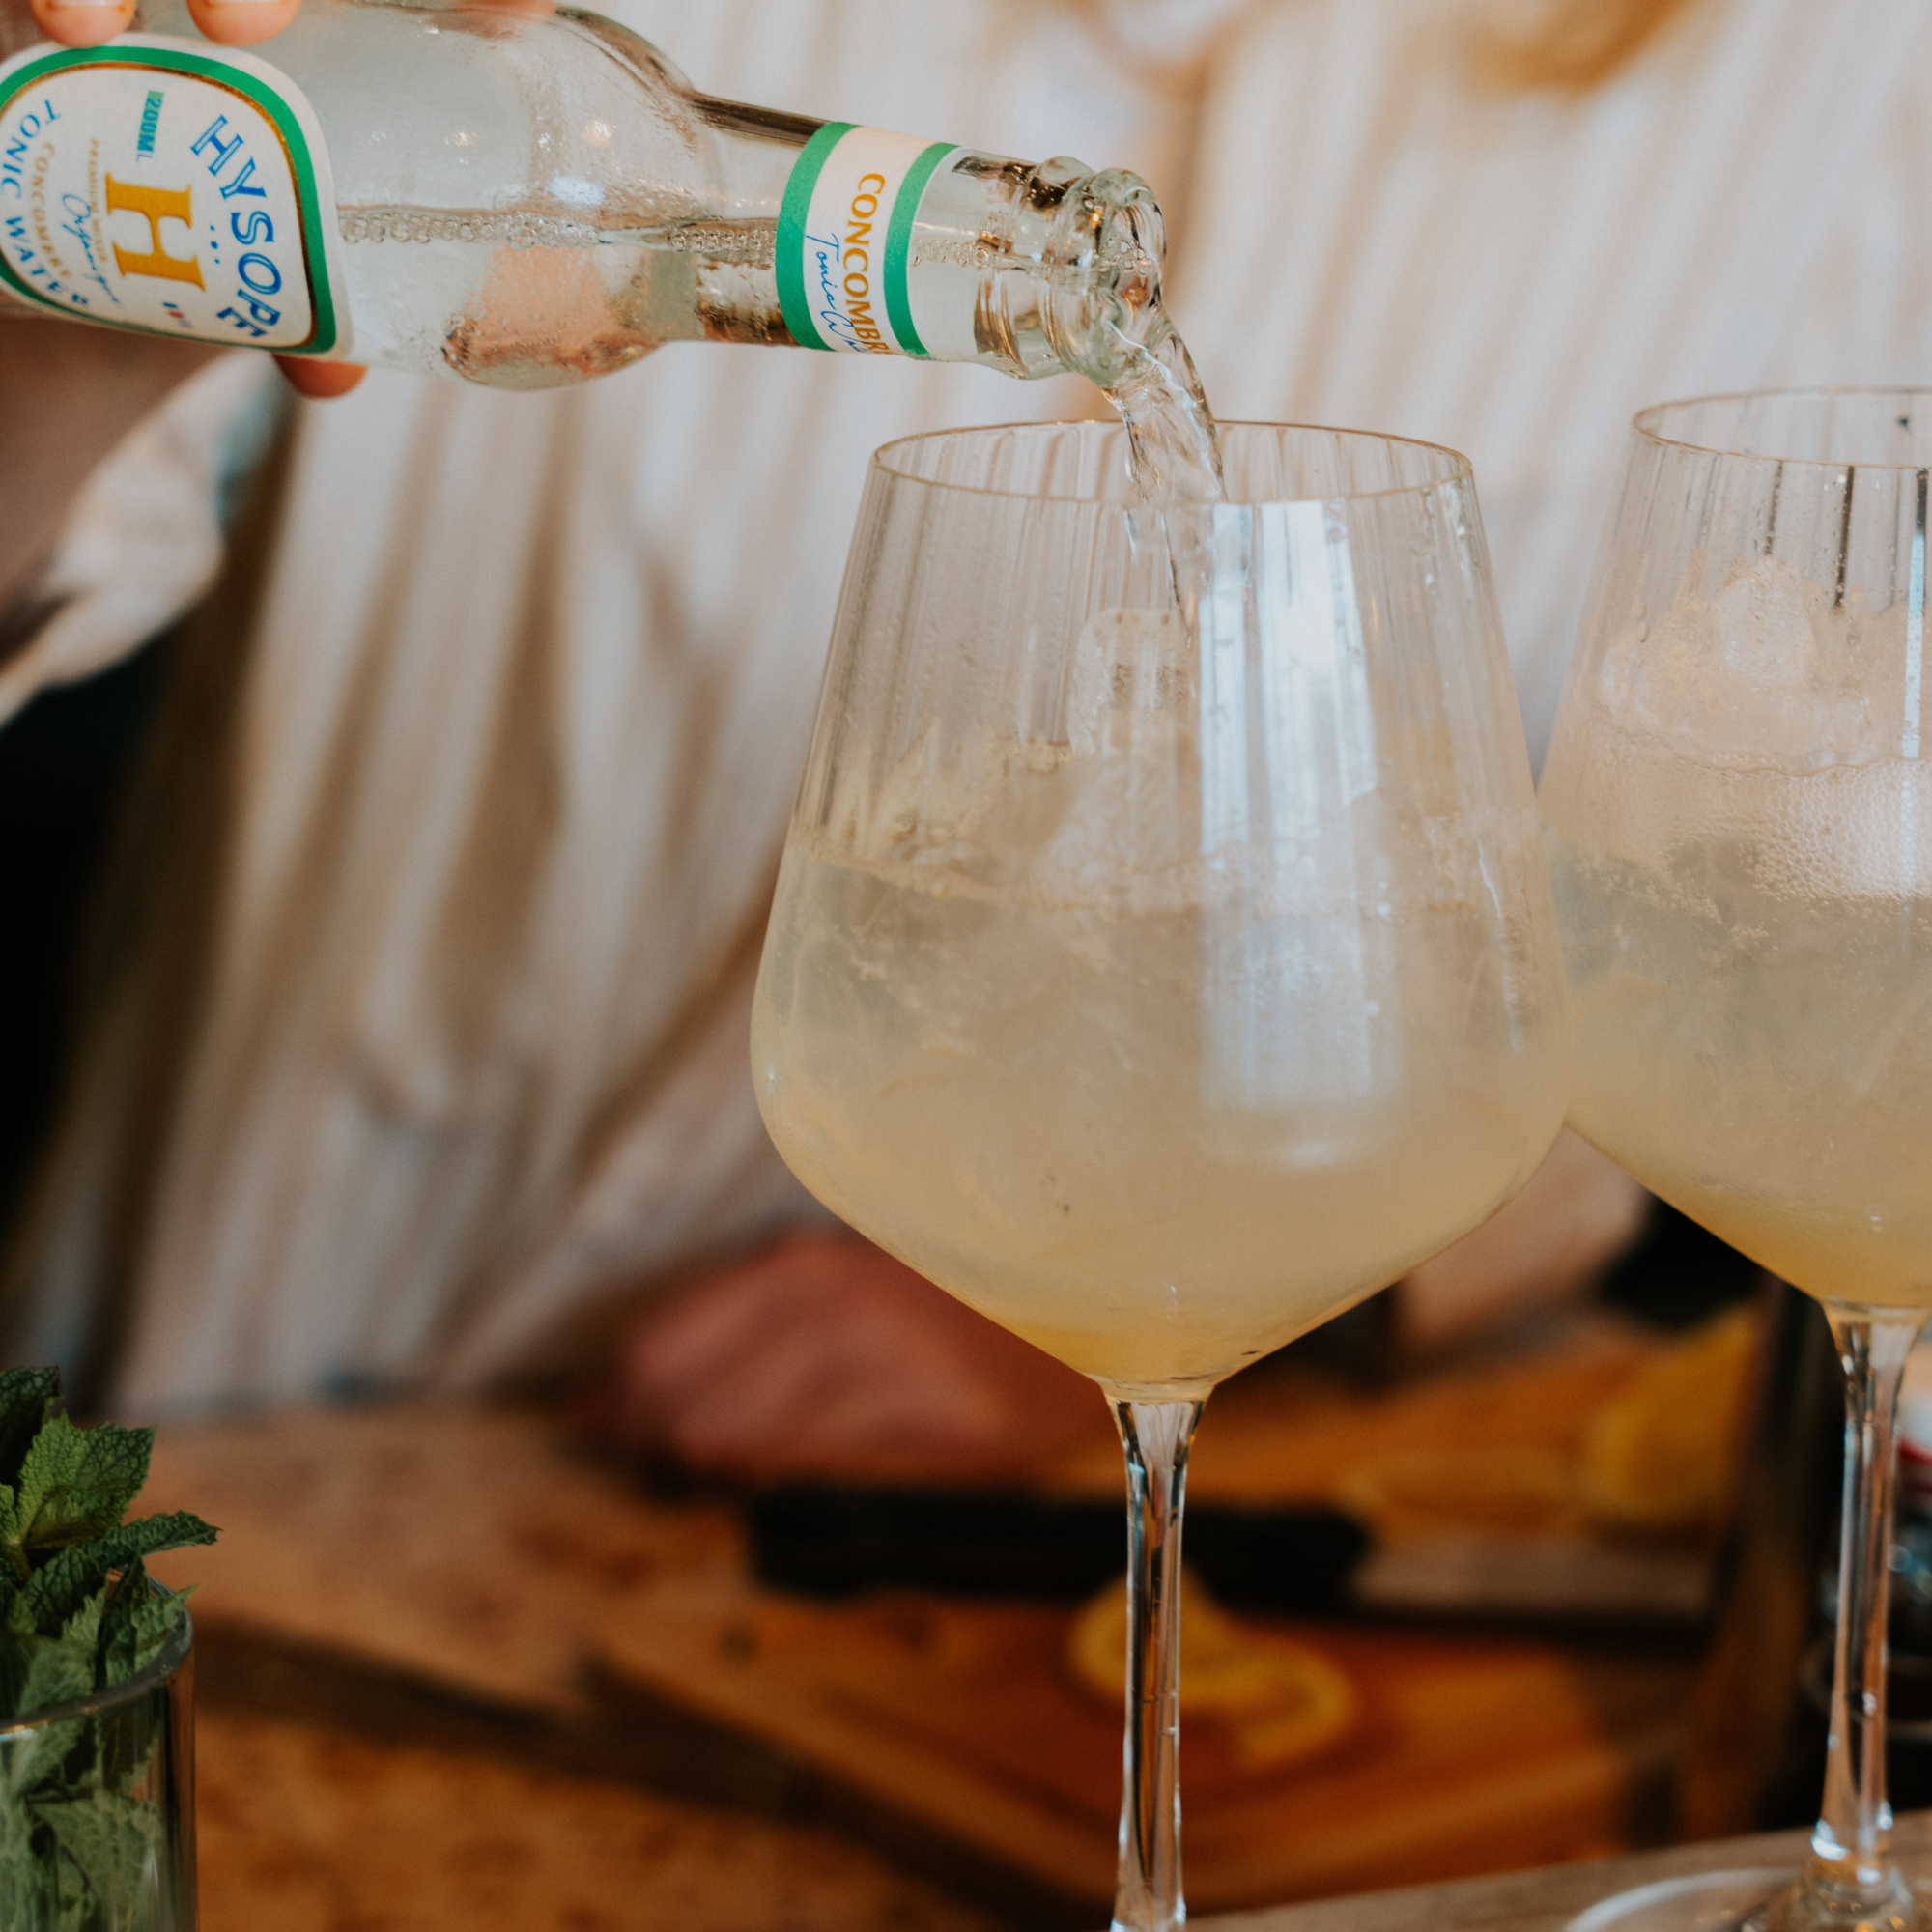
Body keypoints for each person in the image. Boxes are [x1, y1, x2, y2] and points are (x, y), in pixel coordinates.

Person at [1, 0, 1924, 1472]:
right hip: (253, 1456)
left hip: (1000, 1578)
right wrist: (74, 308)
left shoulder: (1835, 78)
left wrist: (1144, 1305)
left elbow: (1748, 921)